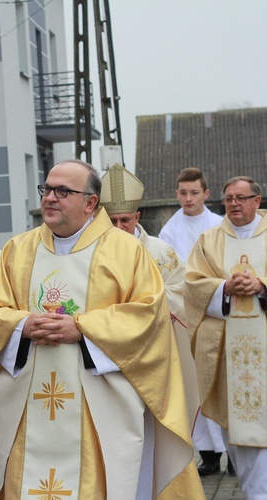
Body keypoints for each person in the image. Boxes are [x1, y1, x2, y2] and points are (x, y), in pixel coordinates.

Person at [0, 160, 203, 499]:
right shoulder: (17, 251)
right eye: (47, 189)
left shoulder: (127, 251)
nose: (50, 198)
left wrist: (81, 329)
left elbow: (148, 316)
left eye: (63, 191)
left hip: (99, 404)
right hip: (28, 402)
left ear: (90, 202)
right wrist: (23, 324)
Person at [186, 176, 267, 498]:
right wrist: (223, 288)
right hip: (229, 361)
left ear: (257, 201)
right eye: (229, 198)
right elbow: (192, 286)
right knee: (239, 433)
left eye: (241, 197)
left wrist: (261, 286)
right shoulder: (210, 240)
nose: (234, 203)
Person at [99, 163, 199, 425]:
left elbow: (183, 293)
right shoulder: (92, 255)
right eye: (112, 221)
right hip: (108, 352)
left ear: (137, 217)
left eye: (125, 220)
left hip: (154, 351)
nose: (119, 226)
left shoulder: (160, 251)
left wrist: (148, 306)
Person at [158, 167, 227, 476]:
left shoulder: (219, 225)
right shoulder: (168, 231)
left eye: (194, 193)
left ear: (206, 194)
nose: (188, 198)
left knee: (222, 383)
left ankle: (235, 454)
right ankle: (209, 454)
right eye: (183, 193)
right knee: (194, 385)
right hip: (185, 318)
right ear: (177, 194)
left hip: (217, 313)